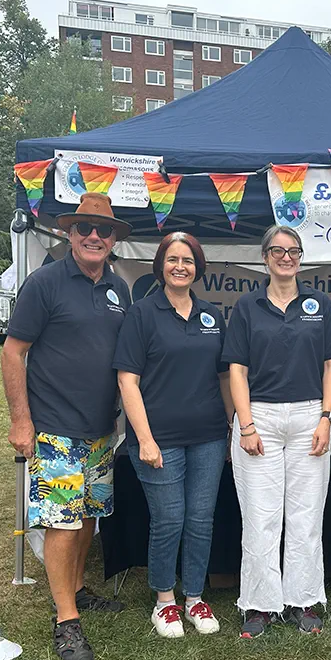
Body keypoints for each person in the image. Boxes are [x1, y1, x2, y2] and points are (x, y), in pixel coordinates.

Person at [1, 192, 133, 660]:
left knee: (89, 514)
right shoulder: (44, 283)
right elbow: (13, 351)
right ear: (69, 233)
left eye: (104, 230)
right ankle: (66, 620)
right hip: (55, 428)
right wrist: (21, 419)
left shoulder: (119, 289)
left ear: (113, 238)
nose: (94, 236)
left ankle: (77, 588)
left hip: (101, 428)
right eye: (85, 229)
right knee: (62, 521)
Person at [222, 226, 331, 638]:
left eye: (294, 251)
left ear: (301, 257)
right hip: (259, 416)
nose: (287, 257)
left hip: (310, 415)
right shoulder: (247, 306)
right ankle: (260, 605)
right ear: (265, 257)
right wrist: (246, 425)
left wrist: (326, 418)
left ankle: (303, 600)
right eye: (278, 250)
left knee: (306, 515)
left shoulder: (319, 303)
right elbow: (236, 369)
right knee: (260, 517)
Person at [114, 232, 233, 638]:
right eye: (172, 259)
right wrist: (145, 439)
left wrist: (232, 426)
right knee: (169, 520)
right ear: (160, 266)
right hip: (158, 438)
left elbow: (224, 377)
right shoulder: (142, 314)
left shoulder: (211, 315)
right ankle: (165, 601)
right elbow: (127, 381)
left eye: (188, 260)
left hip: (209, 436)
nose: (180, 266)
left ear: (198, 268)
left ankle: (195, 597)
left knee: (200, 519)